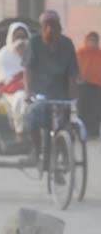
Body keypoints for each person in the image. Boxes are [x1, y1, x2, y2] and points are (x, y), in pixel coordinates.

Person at [24, 10, 79, 161]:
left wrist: (73, 97)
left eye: (53, 25)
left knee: (66, 125)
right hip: (40, 92)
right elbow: (28, 69)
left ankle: (64, 155)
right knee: (32, 117)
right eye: (46, 26)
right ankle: (36, 150)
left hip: (61, 93)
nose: (50, 29)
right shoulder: (34, 42)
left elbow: (72, 73)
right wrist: (28, 93)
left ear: (59, 27)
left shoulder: (67, 44)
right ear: (41, 28)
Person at [0, 22, 30, 141]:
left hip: (31, 87)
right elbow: (4, 78)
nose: (21, 40)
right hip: (10, 91)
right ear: (11, 38)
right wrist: (21, 81)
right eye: (17, 37)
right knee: (21, 98)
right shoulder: (3, 54)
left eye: (23, 37)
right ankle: (20, 131)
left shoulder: (32, 53)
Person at [76, 31, 101, 138]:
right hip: (83, 85)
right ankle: (82, 132)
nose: (93, 43)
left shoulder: (99, 54)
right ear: (86, 40)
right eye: (91, 40)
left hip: (97, 86)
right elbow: (75, 67)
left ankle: (94, 131)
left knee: (95, 109)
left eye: (95, 40)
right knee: (82, 109)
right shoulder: (80, 53)